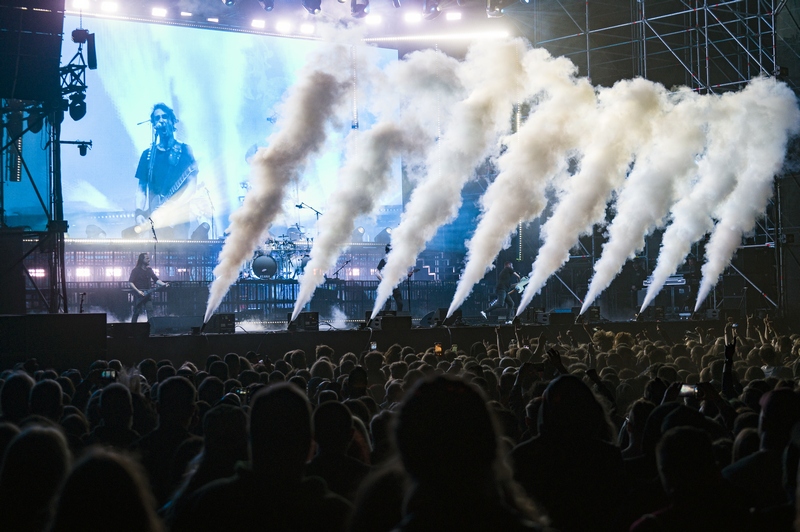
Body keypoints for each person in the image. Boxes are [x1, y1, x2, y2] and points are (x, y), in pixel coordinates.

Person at [135, 103, 199, 240]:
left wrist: (174, 206)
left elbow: (191, 186)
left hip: (178, 219)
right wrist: (139, 212)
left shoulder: (185, 151)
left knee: (178, 257)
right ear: (153, 125)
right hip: (156, 218)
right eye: (157, 118)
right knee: (157, 256)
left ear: (172, 121)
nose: (161, 121)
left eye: (164, 117)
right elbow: (141, 187)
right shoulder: (148, 155)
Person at [129, 252, 168, 323]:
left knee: (150, 311)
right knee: (136, 312)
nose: (149, 260)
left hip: (147, 294)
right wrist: (138, 291)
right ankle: (133, 328)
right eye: (147, 258)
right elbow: (131, 282)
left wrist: (164, 284)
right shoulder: (135, 270)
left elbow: (156, 280)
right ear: (142, 259)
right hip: (138, 295)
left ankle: (150, 328)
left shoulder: (149, 270)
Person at [376, 244, 413, 312]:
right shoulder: (383, 261)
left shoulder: (395, 262)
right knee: (388, 305)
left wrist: (407, 274)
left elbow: (400, 273)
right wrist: (383, 280)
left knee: (400, 304)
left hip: (394, 285)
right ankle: (385, 320)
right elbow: (377, 273)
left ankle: (398, 319)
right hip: (386, 286)